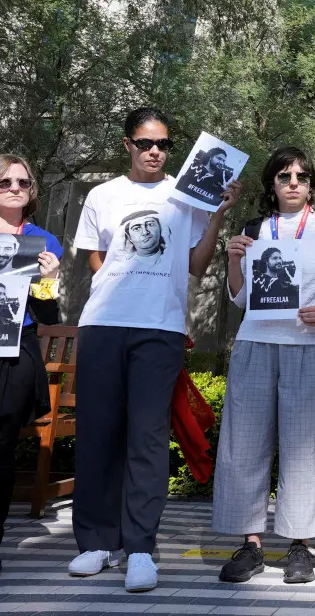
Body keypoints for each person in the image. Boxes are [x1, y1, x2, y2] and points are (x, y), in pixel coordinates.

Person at [70, 107, 241, 593]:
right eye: (145, 143)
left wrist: (216, 218)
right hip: (103, 324)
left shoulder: (185, 196)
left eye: (163, 144)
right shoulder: (102, 195)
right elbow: (97, 260)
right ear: (128, 144)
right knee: (99, 433)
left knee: (146, 438)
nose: (154, 152)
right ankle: (97, 543)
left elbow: (196, 266)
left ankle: (140, 546)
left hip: (160, 328)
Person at [212, 147, 315, 585]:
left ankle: (300, 545)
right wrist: (233, 260)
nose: (293, 182)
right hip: (255, 343)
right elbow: (239, 298)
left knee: (306, 450)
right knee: (243, 445)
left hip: (309, 347)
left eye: (302, 176)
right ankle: (251, 545)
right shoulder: (253, 229)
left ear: (311, 184)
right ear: (271, 185)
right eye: (284, 176)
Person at [0, 155, 62, 582]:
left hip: (14, 350)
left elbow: (47, 313)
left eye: (23, 182)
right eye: (4, 182)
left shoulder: (43, 241)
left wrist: (51, 278)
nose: (14, 189)